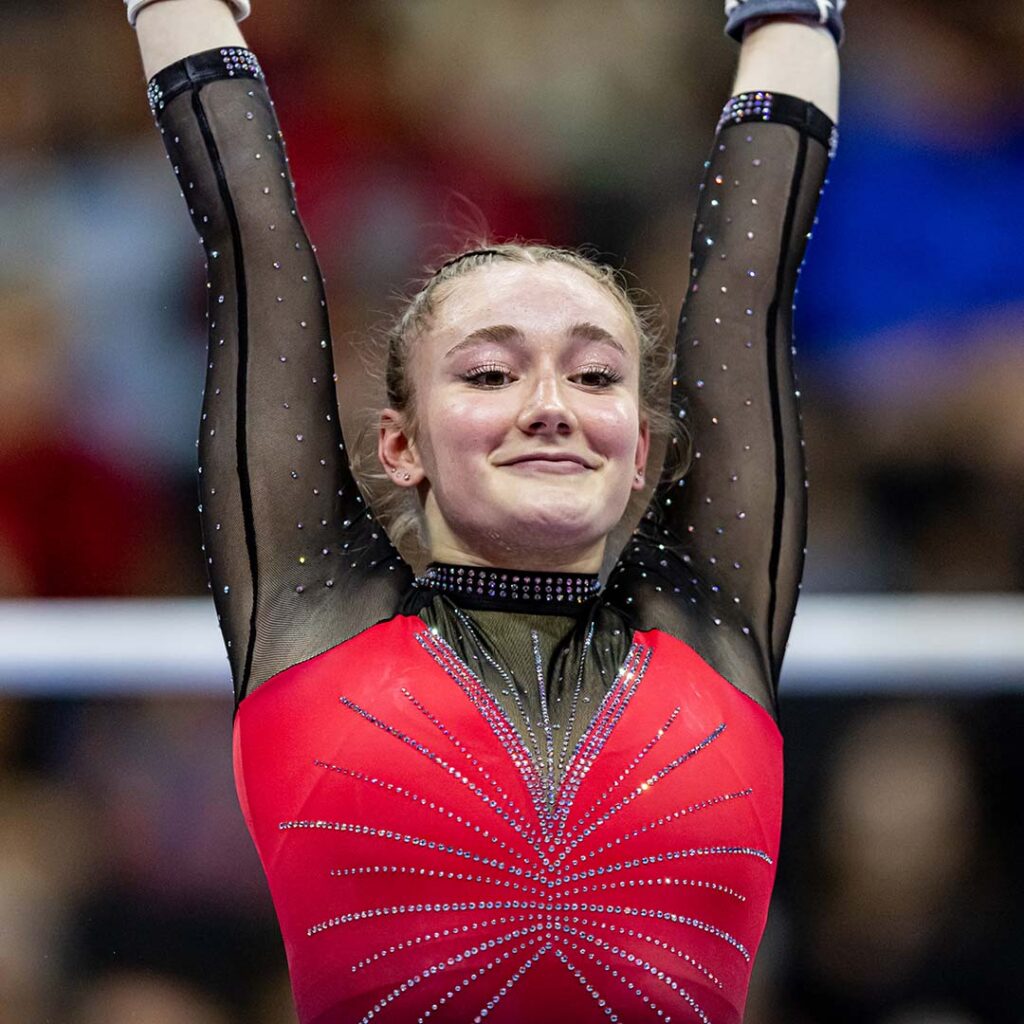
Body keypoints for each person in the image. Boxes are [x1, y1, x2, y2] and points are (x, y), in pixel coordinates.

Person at [127, 1, 842, 1021]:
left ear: (643, 449)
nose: (549, 407)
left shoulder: (711, 629)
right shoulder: (316, 615)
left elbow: (748, 284)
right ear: (398, 443)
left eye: (596, 376)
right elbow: (256, 247)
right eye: (493, 370)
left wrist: (790, 14)